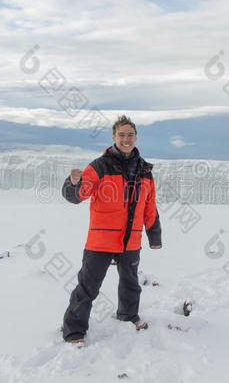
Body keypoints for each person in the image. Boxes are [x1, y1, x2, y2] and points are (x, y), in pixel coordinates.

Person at [60, 115, 162, 346]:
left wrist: (153, 234)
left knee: (131, 284)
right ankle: (74, 331)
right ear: (114, 137)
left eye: (130, 135)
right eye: (122, 135)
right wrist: (73, 183)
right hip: (101, 241)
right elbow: (78, 196)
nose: (126, 139)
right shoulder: (99, 166)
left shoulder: (145, 170)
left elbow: (150, 205)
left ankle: (128, 316)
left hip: (131, 240)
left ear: (136, 137)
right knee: (87, 287)